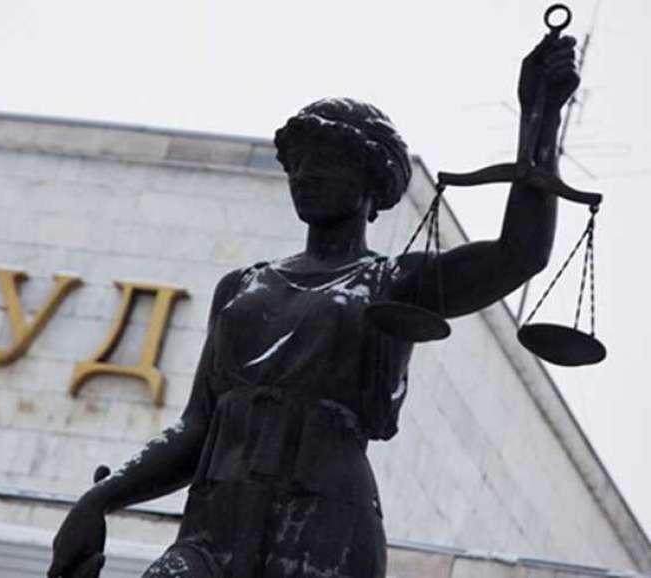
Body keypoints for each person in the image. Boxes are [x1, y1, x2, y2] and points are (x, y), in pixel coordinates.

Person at [48, 33, 579, 578]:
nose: (303, 176)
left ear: (372, 180)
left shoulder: (391, 284)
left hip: (326, 533)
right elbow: (196, 428)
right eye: (297, 163)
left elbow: (520, 254)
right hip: (214, 528)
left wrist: (539, 119)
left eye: (324, 162)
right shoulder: (241, 286)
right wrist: (100, 499)